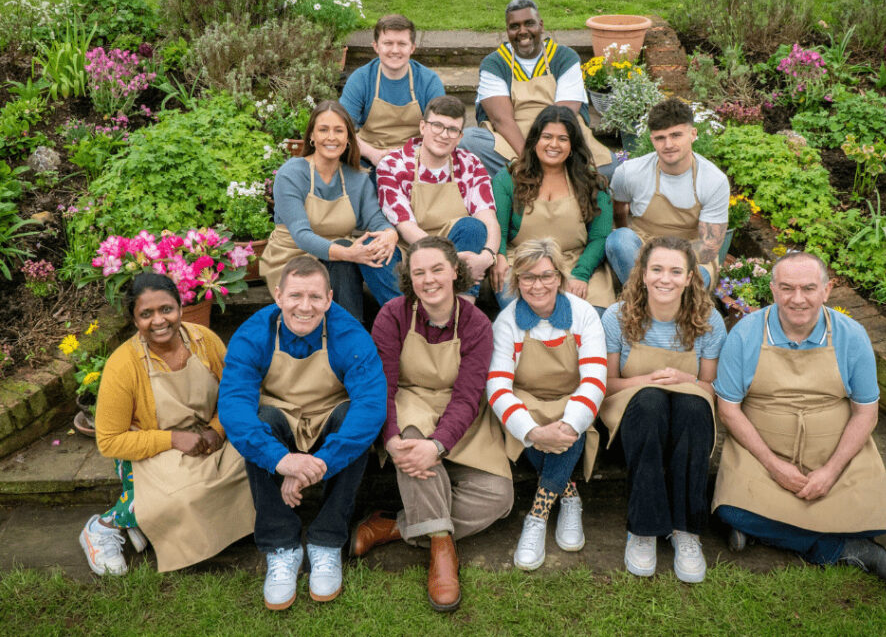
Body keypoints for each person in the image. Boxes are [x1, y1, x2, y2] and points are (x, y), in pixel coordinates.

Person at [712, 252, 886, 583]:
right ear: (772, 290)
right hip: (764, 459)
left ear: (827, 290)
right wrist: (774, 466)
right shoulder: (744, 335)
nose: (797, 299)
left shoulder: (852, 336)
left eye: (808, 288)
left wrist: (830, 472)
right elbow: (728, 409)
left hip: (832, 457)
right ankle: (840, 549)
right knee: (730, 510)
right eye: (787, 288)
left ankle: (762, 530)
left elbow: (866, 412)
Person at [219, 256, 387, 610]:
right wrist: (281, 460)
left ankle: (326, 541)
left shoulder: (350, 334)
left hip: (328, 421)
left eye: (315, 297)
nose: (305, 307)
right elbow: (234, 407)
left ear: (329, 299)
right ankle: (281, 546)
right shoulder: (252, 334)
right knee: (258, 422)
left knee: (352, 422)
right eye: (295, 296)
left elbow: (371, 406)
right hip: (279, 421)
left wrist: (317, 464)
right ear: (278, 296)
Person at [355, 236, 514, 612]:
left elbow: (468, 396)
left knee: (499, 497)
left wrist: (438, 445)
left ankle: (396, 526)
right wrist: (391, 438)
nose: (429, 280)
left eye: (437, 269)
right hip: (409, 404)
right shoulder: (392, 314)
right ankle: (441, 549)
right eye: (419, 272)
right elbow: (384, 386)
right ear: (409, 278)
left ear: (455, 272)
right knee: (412, 442)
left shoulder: (476, 323)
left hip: (463, 417)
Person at [81, 274, 254, 576]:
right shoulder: (123, 366)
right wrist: (174, 440)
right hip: (150, 449)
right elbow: (109, 441)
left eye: (166, 309)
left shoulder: (205, 340)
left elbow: (235, 394)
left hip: (209, 438)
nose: (159, 320)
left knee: (257, 464)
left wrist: (217, 428)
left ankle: (153, 524)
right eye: (146, 314)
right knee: (185, 495)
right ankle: (104, 526)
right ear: (134, 320)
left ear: (181, 307)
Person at [599, 237, 726, 582]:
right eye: (656, 269)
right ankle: (643, 529)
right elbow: (606, 384)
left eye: (675, 271)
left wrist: (687, 377)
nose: (664, 279)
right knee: (652, 401)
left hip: (687, 414)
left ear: (689, 277)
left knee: (690, 404)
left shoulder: (709, 321)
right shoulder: (617, 317)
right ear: (642, 274)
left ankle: (686, 530)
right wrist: (647, 380)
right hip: (634, 411)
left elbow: (711, 388)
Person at [486, 238, 607, 571]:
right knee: (528, 419)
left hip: (571, 401)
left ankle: (538, 514)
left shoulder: (584, 315)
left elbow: (594, 379)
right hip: (528, 406)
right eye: (527, 277)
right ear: (517, 281)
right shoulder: (507, 322)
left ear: (559, 277)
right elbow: (497, 385)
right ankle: (567, 494)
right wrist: (533, 431)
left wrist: (569, 425)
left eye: (545, 276)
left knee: (575, 417)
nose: (537, 285)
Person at [260, 100, 401, 325]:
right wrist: (349, 253)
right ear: (311, 137)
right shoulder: (292, 174)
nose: (331, 137)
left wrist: (389, 233)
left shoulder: (357, 178)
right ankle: (352, 334)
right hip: (292, 258)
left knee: (375, 246)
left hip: (338, 261)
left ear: (348, 138)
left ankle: (401, 315)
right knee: (346, 251)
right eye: (323, 130)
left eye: (339, 130)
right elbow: (301, 235)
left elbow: (376, 219)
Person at [461, 0, 617, 181]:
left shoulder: (565, 57)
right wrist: (530, 161)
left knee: (609, 167)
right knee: (468, 141)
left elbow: (564, 115)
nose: (522, 31)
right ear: (507, 31)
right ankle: (554, 180)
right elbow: (501, 120)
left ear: (541, 25)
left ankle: (526, 180)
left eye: (529, 24)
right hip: (513, 142)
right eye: (515, 26)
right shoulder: (494, 63)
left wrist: (550, 157)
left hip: (560, 138)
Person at [490, 105, 615, 312]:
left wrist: (581, 274)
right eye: (547, 137)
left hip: (574, 263)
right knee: (522, 314)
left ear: (573, 145)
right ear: (534, 140)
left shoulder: (592, 181)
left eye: (563, 139)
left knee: (594, 317)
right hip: (522, 262)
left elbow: (600, 237)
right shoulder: (509, 178)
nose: (553, 145)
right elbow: (498, 229)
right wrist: (500, 257)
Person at [376, 95, 500, 301]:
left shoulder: (470, 164)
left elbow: (489, 220)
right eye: (437, 126)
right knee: (376, 254)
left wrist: (487, 257)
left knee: (473, 228)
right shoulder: (393, 164)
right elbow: (406, 226)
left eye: (452, 130)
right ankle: (407, 316)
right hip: (411, 249)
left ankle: (460, 312)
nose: (444, 135)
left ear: (460, 137)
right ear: (423, 127)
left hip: (457, 248)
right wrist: (448, 259)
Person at [605, 98, 729, 288]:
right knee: (618, 240)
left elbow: (709, 248)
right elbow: (618, 212)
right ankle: (644, 301)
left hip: (690, 255)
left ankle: (649, 306)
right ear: (651, 139)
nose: (668, 144)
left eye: (676, 135)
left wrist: (668, 267)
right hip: (644, 250)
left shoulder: (713, 180)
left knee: (701, 276)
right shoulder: (629, 173)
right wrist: (651, 263)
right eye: (660, 138)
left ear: (693, 134)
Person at [340, 14, 446, 169]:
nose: (395, 50)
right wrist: (373, 154)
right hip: (368, 158)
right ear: (376, 46)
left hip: (418, 159)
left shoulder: (429, 81)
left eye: (402, 44)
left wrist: (409, 156)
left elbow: (440, 130)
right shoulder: (361, 79)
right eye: (388, 43)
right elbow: (341, 129)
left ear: (412, 47)